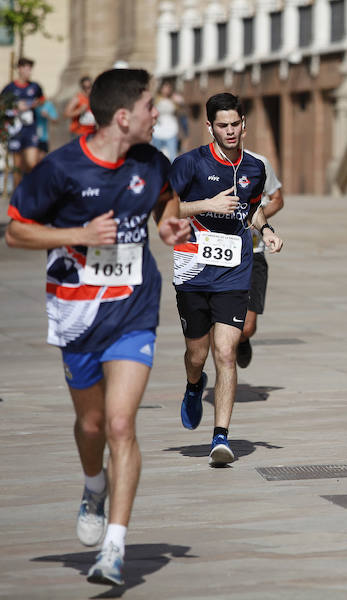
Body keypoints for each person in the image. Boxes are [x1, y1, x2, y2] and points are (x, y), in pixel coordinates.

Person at [5, 68, 191, 586]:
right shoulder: (62, 169)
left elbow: (163, 200)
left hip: (134, 307)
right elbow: (17, 232)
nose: (160, 114)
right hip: (77, 312)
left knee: (119, 425)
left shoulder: (152, 162)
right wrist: (78, 232)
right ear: (124, 116)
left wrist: (168, 223)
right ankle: (93, 485)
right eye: (151, 106)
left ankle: (114, 547)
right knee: (91, 427)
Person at [169, 93, 283, 465]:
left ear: (244, 124)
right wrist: (206, 205)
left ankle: (221, 437)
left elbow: (251, 211)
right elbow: (164, 210)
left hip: (235, 271)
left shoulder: (256, 167)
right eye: (223, 125)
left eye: (235, 124)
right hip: (193, 270)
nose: (230, 131)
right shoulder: (189, 164)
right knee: (196, 353)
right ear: (210, 127)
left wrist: (265, 230)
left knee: (225, 352)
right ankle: (192, 385)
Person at [237, 147, 285, 368]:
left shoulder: (258, 163)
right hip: (217, 258)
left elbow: (277, 199)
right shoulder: (201, 162)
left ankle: (242, 339)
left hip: (253, 252)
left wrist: (257, 221)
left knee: (247, 327)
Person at [2, 57, 45, 189]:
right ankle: (17, 195)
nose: (28, 72)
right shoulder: (9, 88)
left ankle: (31, 189)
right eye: (26, 69)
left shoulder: (35, 86)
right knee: (18, 165)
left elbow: (43, 99)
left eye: (30, 69)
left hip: (30, 128)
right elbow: (2, 105)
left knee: (32, 162)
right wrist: (16, 106)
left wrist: (35, 104)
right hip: (15, 130)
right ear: (19, 69)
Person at [151, 81, 181, 161]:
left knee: (172, 156)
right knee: (156, 156)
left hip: (171, 131)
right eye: (165, 87)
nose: (167, 90)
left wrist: (178, 102)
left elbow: (179, 112)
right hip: (158, 131)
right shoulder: (156, 99)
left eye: (168, 88)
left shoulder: (173, 99)